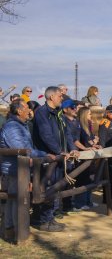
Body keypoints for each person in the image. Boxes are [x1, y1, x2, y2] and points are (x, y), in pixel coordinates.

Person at [0, 99, 54, 239]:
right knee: (16, 200)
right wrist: (44, 154)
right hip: (14, 169)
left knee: (16, 199)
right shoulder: (12, 127)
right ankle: (14, 231)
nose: (29, 110)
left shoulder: (20, 125)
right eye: (26, 107)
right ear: (19, 111)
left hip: (20, 168)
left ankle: (12, 229)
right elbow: (22, 149)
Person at [32, 86, 78, 232]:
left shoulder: (59, 113)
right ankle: (43, 221)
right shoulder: (42, 113)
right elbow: (46, 135)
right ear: (51, 97)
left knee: (55, 188)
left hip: (58, 157)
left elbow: (67, 134)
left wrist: (72, 149)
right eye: (59, 96)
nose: (61, 98)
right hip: (47, 157)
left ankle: (49, 218)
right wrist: (60, 151)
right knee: (47, 189)